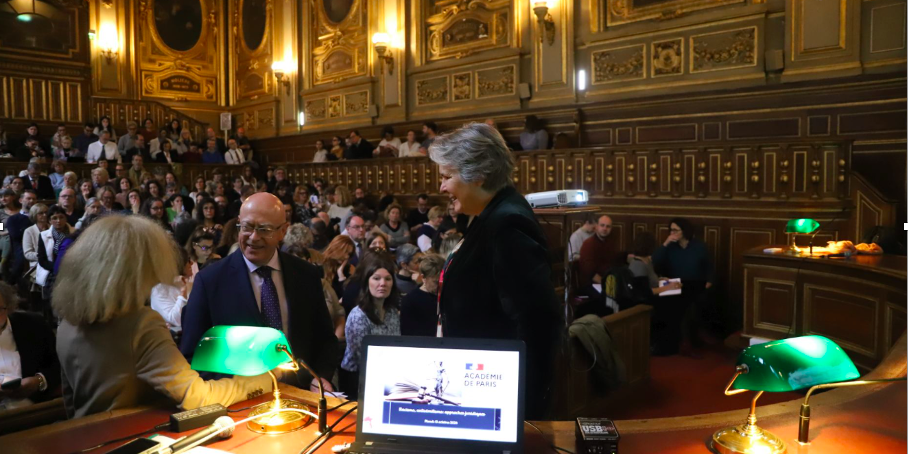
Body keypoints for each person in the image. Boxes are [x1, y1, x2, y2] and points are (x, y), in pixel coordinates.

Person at [53, 216, 274, 419]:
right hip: (133, 436)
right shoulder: (141, 324)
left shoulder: (67, 323)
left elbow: (71, 403)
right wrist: (265, 379)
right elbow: (197, 397)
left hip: (85, 436)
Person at [429, 122, 562, 419]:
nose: (442, 187)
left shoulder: (507, 224)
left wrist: (520, 412)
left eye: (447, 176)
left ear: (478, 175)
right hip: (479, 381)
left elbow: (538, 324)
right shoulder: (491, 215)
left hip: (497, 396)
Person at [180, 193, 339, 391]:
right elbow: (192, 356)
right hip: (239, 399)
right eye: (247, 227)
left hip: (301, 394)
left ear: (283, 231)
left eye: (264, 229)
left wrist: (320, 378)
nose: (254, 237)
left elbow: (325, 340)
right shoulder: (210, 281)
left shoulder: (306, 275)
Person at [339, 253, 399, 398]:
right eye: (376, 278)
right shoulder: (358, 315)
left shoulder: (392, 312)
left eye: (388, 279)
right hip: (357, 379)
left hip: (387, 375)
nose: (383, 283)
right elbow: (363, 359)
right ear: (367, 282)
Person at [0, 281, 60, 410]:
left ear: (8, 307)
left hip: (36, 410)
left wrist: (39, 381)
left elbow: (58, 364)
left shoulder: (33, 325)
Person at [578, 215, 623, 298]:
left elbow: (615, 263)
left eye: (608, 226)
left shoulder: (610, 243)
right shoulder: (589, 244)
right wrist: (606, 284)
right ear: (596, 227)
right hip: (591, 284)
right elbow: (590, 272)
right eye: (602, 225)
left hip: (607, 281)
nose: (605, 229)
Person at [400, 253, 444, 337]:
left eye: (442, 281)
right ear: (423, 277)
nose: (440, 285)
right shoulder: (410, 301)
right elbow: (407, 333)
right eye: (435, 282)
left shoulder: (446, 296)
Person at [151, 248, 194, 331]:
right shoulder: (159, 289)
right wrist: (183, 292)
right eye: (188, 260)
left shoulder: (190, 284)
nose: (191, 263)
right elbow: (177, 320)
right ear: (178, 264)